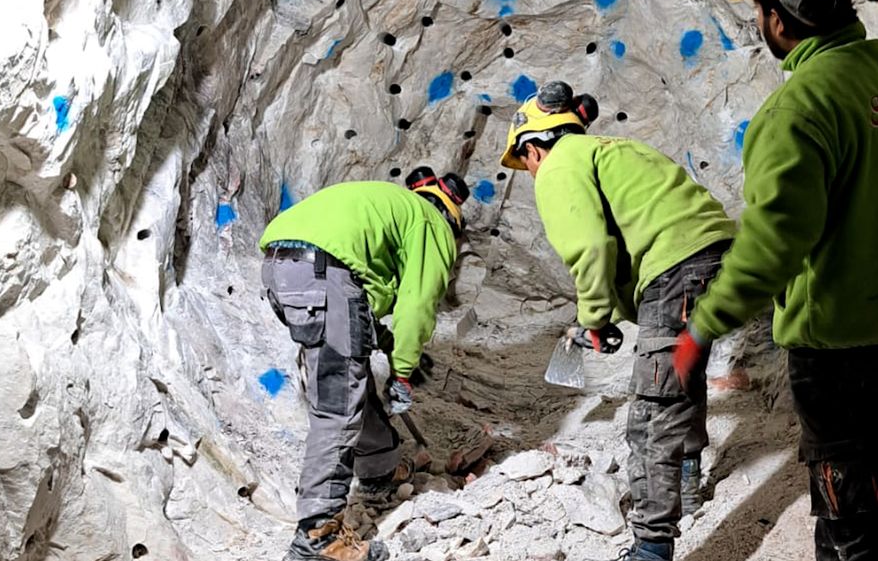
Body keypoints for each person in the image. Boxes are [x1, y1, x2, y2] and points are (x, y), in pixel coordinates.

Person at [672, 0, 878, 560]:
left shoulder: (796, 110)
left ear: (783, 14)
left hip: (840, 346)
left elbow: (771, 246)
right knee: (875, 432)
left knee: (844, 497)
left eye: (759, 5)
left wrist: (704, 326)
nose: (758, 18)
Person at [499, 81, 738, 561]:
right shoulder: (617, 150)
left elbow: (589, 247)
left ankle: (651, 547)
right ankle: (687, 486)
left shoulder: (559, 164)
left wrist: (592, 317)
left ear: (533, 147)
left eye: (523, 162)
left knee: (652, 409)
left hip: (674, 269)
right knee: (680, 376)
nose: (527, 171)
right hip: (716, 255)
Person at [259, 169, 469, 561]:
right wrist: (404, 371)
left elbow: (363, 306)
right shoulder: (433, 224)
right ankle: (318, 537)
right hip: (326, 275)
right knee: (338, 407)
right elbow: (417, 305)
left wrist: (385, 344)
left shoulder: (387, 204)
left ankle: (378, 471)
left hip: (281, 267)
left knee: (348, 380)